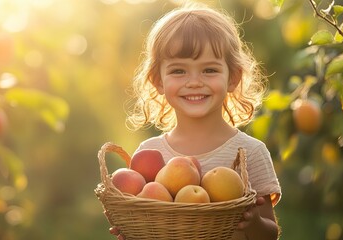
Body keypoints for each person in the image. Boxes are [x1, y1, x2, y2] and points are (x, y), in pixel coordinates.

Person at [109, 2, 282, 240]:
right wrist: (131, 230)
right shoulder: (149, 153)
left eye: (209, 70)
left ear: (233, 77)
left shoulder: (249, 153)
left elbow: (270, 234)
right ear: (158, 81)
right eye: (179, 71)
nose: (194, 82)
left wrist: (252, 222)